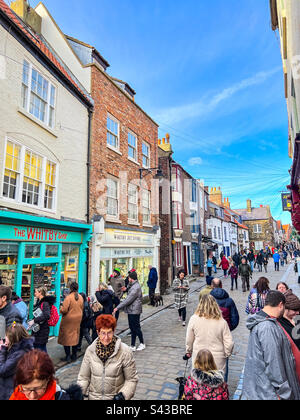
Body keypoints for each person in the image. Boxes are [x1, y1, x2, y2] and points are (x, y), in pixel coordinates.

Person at [242, 291, 300, 400]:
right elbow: (273, 363)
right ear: (280, 305)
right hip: (270, 393)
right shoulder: (267, 327)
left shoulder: (266, 322)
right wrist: (284, 393)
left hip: (264, 391)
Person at [77, 315, 139, 400]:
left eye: (109, 333)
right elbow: (83, 378)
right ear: (98, 333)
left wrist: (123, 395)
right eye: (103, 333)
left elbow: (132, 379)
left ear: (113, 332)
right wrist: (79, 393)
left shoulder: (125, 351)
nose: (106, 337)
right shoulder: (90, 351)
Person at [185, 294, 234, 373]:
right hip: (217, 358)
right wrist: (227, 354)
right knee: (216, 382)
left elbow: (189, 339)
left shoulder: (193, 319)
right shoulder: (222, 322)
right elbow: (229, 343)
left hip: (199, 356)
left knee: (199, 381)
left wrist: (188, 351)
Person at [9, 350, 83, 400]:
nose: (32, 397)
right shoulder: (16, 395)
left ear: (48, 380)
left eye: (38, 388)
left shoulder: (61, 397)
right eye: (27, 389)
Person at [0, 323, 34, 400]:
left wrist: (2, 351)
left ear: (13, 338)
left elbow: (2, 370)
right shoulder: (17, 349)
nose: (5, 337)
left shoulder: (19, 354)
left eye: (6, 336)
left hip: (10, 391)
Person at [113, 271, 145, 352]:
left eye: (129, 277)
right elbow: (129, 292)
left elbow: (128, 300)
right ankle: (133, 345)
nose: (128, 279)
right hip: (131, 309)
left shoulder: (136, 287)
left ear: (131, 278)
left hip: (135, 310)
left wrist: (117, 308)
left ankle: (142, 343)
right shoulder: (132, 285)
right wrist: (126, 289)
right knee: (132, 327)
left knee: (136, 327)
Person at [58, 282, 84, 363]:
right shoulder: (80, 297)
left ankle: (68, 356)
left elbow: (64, 310)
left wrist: (60, 308)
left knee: (66, 337)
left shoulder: (68, 298)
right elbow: (82, 308)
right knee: (75, 337)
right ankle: (74, 355)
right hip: (77, 319)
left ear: (70, 288)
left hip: (68, 320)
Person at [27, 287, 55, 354]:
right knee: (40, 349)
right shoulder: (39, 302)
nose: (35, 293)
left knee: (41, 349)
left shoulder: (45, 303)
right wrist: (32, 324)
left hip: (42, 331)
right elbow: (38, 315)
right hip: (39, 330)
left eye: (36, 291)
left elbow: (46, 315)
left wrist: (34, 321)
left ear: (40, 293)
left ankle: (45, 363)